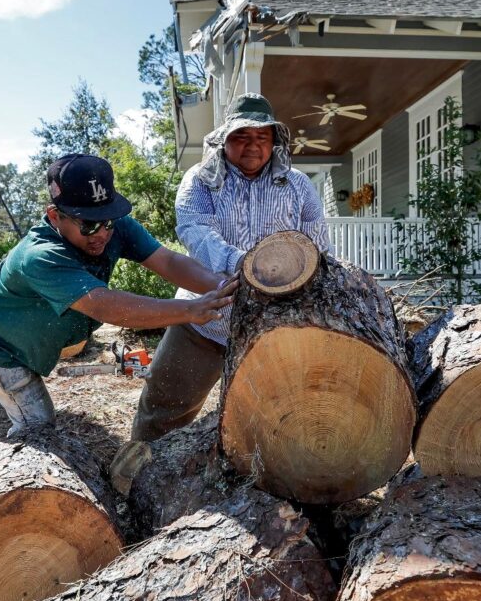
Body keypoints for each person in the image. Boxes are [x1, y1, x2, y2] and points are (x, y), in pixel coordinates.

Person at [0, 154, 236, 463]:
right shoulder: (41, 255)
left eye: (107, 221)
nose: (102, 234)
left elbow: (167, 260)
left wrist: (220, 287)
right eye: (88, 225)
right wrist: (190, 310)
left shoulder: (111, 225)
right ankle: (17, 485)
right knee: (36, 425)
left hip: (30, 337)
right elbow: (105, 306)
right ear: (55, 216)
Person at [129, 93, 331, 442]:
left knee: (280, 419)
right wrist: (242, 263)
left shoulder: (297, 185)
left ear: (274, 142)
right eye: (241, 136)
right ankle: (137, 472)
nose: (252, 145)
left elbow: (317, 243)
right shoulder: (201, 180)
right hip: (205, 318)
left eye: (261, 137)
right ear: (224, 139)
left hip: (276, 325)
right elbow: (195, 231)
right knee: (165, 406)